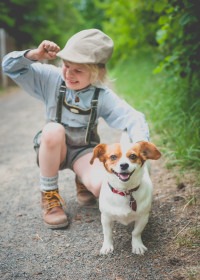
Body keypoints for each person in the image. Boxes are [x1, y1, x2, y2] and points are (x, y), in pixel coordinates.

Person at [2, 28, 150, 229]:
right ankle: (49, 195)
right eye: (66, 65)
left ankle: (83, 178)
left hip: (84, 152)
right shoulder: (52, 78)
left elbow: (133, 117)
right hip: (54, 148)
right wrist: (34, 55)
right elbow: (9, 66)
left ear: (97, 72)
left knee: (100, 187)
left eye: (78, 70)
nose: (69, 74)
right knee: (53, 130)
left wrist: (141, 148)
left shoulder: (102, 95)